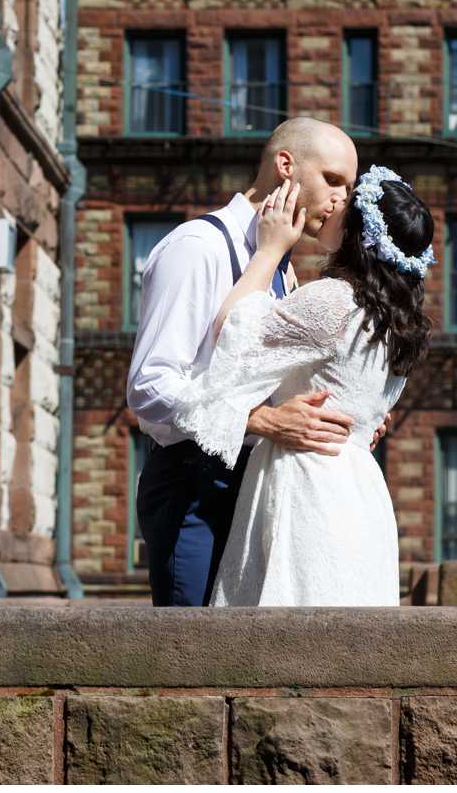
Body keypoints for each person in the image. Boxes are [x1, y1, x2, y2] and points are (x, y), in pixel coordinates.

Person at [168, 161, 435, 607]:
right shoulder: (397, 324)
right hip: (360, 490)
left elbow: (232, 334)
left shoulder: (335, 300)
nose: (333, 203)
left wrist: (269, 250)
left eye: (346, 200)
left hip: (306, 480)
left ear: (358, 232)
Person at [127, 118, 362, 606]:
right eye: (334, 180)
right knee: (190, 659)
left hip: (254, 485)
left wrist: (335, 418)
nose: (342, 199)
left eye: (350, 188)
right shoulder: (198, 247)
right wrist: (265, 420)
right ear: (285, 166)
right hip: (193, 486)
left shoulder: (280, 267)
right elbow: (149, 387)